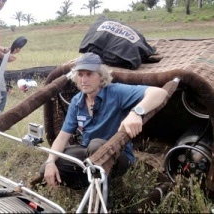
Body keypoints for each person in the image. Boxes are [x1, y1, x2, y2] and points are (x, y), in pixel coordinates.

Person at [41, 52, 168, 189]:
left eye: (89, 74)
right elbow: (61, 138)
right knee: (46, 168)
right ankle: (85, 183)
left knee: (96, 146)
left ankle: (101, 202)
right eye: (80, 74)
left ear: (101, 76)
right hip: (89, 153)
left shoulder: (116, 92)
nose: (84, 80)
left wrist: (136, 112)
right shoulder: (76, 102)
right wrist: (50, 162)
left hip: (117, 154)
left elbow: (159, 93)